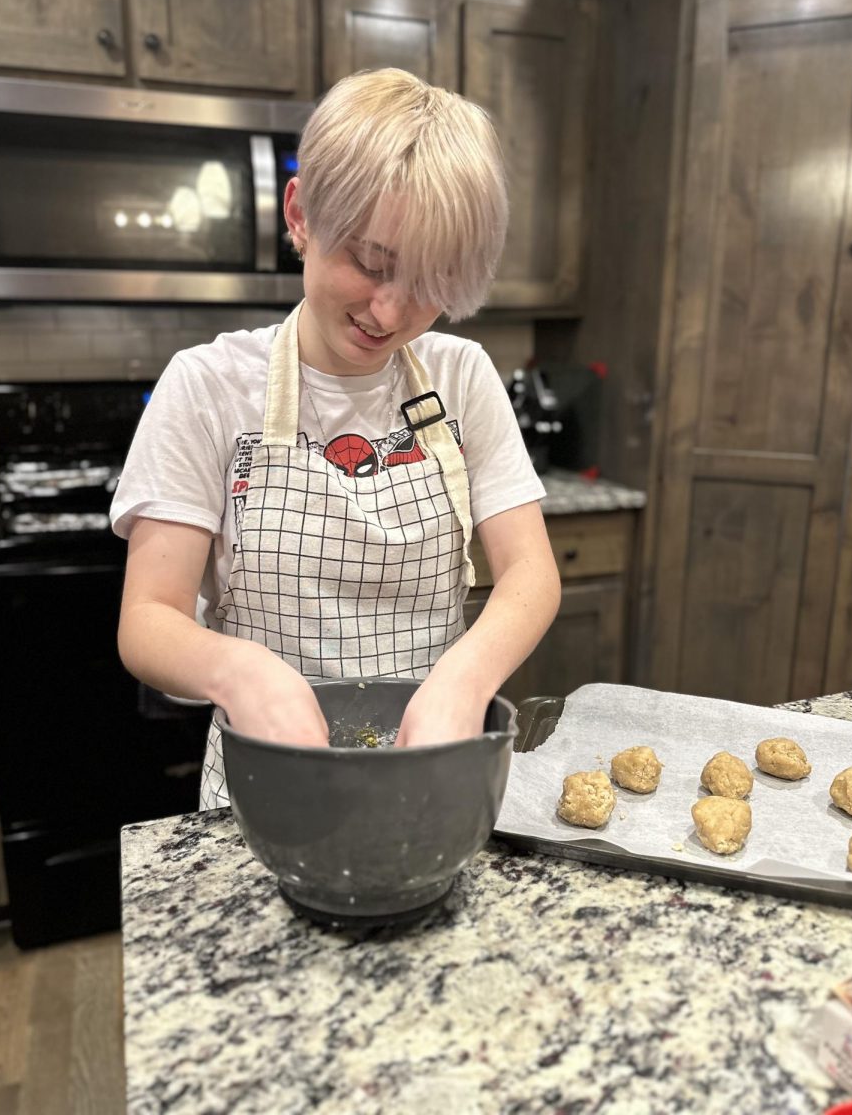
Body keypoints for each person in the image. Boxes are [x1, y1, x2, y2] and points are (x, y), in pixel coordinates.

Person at [111, 67, 560, 810]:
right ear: (301, 215)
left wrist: (463, 679)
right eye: (371, 264)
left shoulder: (463, 375)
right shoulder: (208, 386)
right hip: (264, 789)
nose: (389, 310)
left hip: (432, 769)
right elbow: (147, 621)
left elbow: (531, 575)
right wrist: (241, 673)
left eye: (428, 283)